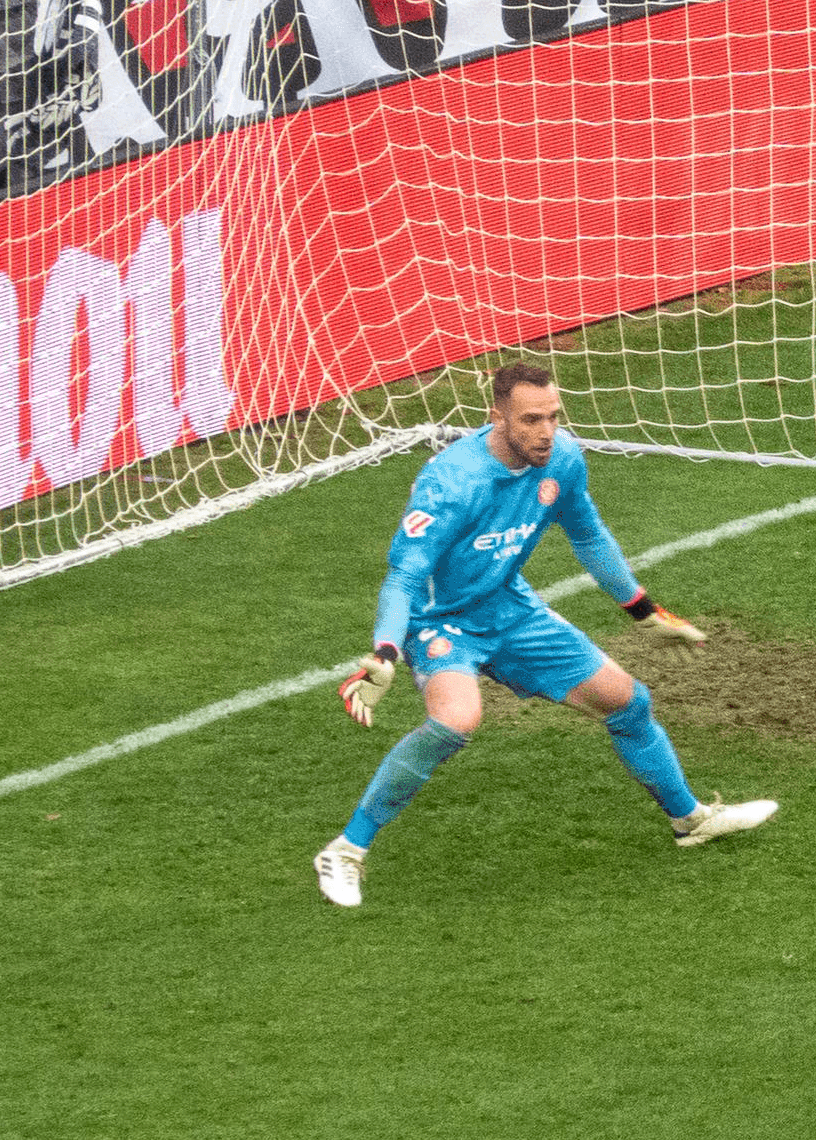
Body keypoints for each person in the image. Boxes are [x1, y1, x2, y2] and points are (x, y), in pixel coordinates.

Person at [317, 362, 773, 909]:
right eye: (531, 419)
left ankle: (690, 819)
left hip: (510, 607)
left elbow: (589, 535)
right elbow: (405, 577)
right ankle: (346, 849)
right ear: (498, 417)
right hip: (439, 623)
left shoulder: (563, 460)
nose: (546, 431)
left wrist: (642, 610)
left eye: (554, 416)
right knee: (455, 721)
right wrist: (386, 649)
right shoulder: (451, 480)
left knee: (628, 702)